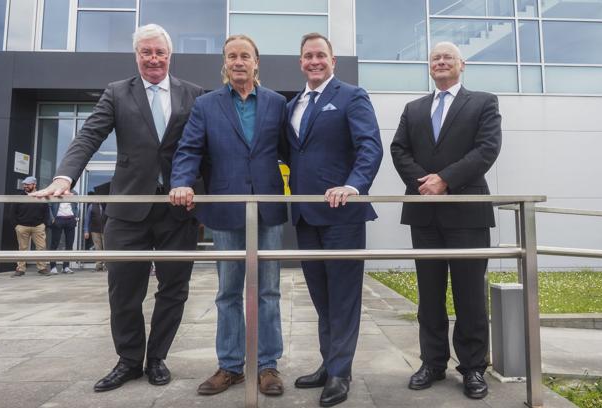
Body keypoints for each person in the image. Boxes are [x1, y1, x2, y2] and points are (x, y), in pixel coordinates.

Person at [33, 24, 204, 392]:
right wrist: (65, 178)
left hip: (178, 211)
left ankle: (156, 358)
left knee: (174, 290)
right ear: (137, 55)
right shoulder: (116, 93)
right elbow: (89, 135)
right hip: (128, 209)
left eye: (159, 52)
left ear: (169, 55)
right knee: (123, 290)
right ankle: (129, 360)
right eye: (146, 52)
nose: (153, 58)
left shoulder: (193, 94)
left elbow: (204, 149)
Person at [169, 34, 287, 397]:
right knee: (228, 292)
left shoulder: (278, 103)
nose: (238, 62)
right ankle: (231, 366)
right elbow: (189, 149)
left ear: (256, 63)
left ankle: (268, 366)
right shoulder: (206, 105)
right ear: (225, 63)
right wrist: (182, 183)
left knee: (268, 290)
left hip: (267, 208)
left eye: (245, 56)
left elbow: (297, 149)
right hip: (225, 208)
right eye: (232, 56)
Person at [390, 41, 501, 400]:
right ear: (429, 66)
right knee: (430, 295)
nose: (440, 61)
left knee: (470, 296)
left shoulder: (483, 102)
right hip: (425, 213)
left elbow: (486, 148)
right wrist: (426, 182)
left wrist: (446, 180)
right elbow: (398, 149)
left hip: (467, 212)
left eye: (447, 57)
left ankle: (472, 368)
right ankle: (432, 363)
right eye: (435, 58)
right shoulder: (414, 108)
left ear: (461, 64)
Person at [287, 33, 382, 407]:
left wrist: (354, 185)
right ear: (300, 62)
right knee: (322, 298)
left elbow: (369, 145)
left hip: (342, 213)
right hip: (306, 216)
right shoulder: (292, 104)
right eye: (308, 56)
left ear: (332, 61)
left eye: (320, 56)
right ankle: (329, 363)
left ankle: (341, 373)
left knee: (343, 298)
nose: (314, 61)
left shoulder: (351, 96)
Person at [10, 176, 50, 277]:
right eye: (24, 184)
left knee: (41, 248)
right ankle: (20, 269)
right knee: (22, 248)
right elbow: (12, 213)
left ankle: (42, 268)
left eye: (28, 184)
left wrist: (44, 224)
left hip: (38, 226)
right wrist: (16, 225)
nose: (25, 186)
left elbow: (46, 212)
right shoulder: (20, 197)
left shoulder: (41, 197)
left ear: (34, 185)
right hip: (22, 227)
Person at [48, 192, 79, 274]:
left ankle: (66, 267)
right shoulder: (54, 192)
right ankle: (53, 267)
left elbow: (76, 206)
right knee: (55, 243)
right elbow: (49, 206)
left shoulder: (74, 193)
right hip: (58, 219)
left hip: (70, 219)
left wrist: (76, 217)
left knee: (69, 244)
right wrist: (52, 219)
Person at [83, 192, 107, 271]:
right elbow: (87, 219)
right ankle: (99, 266)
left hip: (106, 230)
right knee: (98, 249)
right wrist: (86, 230)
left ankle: (107, 266)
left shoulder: (107, 205)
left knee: (107, 248)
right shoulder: (91, 206)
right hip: (95, 231)